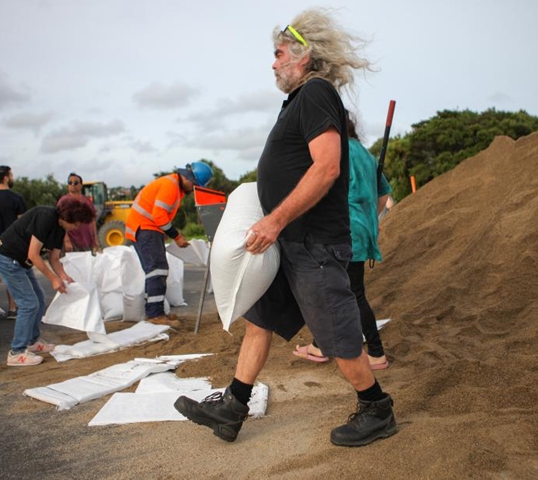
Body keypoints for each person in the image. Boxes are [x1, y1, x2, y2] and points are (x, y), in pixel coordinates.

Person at [174, 9, 398, 447]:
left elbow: (328, 167)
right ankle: (233, 407)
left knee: (336, 332)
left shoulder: (316, 92)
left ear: (303, 53)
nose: (273, 62)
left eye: (278, 54)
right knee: (260, 319)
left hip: (313, 243)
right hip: (291, 242)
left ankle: (376, 408)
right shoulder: (299, 99)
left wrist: (275, 220)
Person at [293, 114, 393, 369]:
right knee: (336, 289)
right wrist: (369, 218)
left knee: (348, 293)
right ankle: (320, 345)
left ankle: (376, 352)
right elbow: (383, 194)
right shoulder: (364, 152)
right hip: (361, 229)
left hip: (342, 230)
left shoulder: (336, 149)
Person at [0, 197, 95, 366]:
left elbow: (54, 258)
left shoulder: (60, 229)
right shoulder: (45, 217)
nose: (77, 227)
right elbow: (33, 254)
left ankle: (32, 341)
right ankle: (17, 352)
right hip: (7, 257)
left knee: (39, 298)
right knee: (29, 303)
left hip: (20, 261)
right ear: (67, 218)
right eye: (77, 224)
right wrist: (53, 278)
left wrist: (63, 276)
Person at [125, 162, 213, 328]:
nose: (193, 188)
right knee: (157, 270)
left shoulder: (173, 185)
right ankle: (155, 315)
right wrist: (177, 236)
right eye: (194, 185)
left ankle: (154, 312)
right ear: (188, 178)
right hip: (145, 229)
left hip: (146, 229)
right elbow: (159, 215)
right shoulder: (170, 186)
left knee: (155, 271)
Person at [0, 165, 27, 319]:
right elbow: (22, 223)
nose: (13, 177)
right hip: (10, 245)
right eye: (12, 175)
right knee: (12, 277)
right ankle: (12, 309)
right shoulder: (16, 198)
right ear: (6, 177)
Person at [58, 173, 98, 254]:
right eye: (70, 182)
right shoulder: (64, 201)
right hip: (73, 242)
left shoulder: (87, 201)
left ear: (81, 185)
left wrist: (95, 239)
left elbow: (92, 221)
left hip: (87, 241)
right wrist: (66, 240)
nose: (72, 185)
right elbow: (59, 222)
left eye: (75, 182)